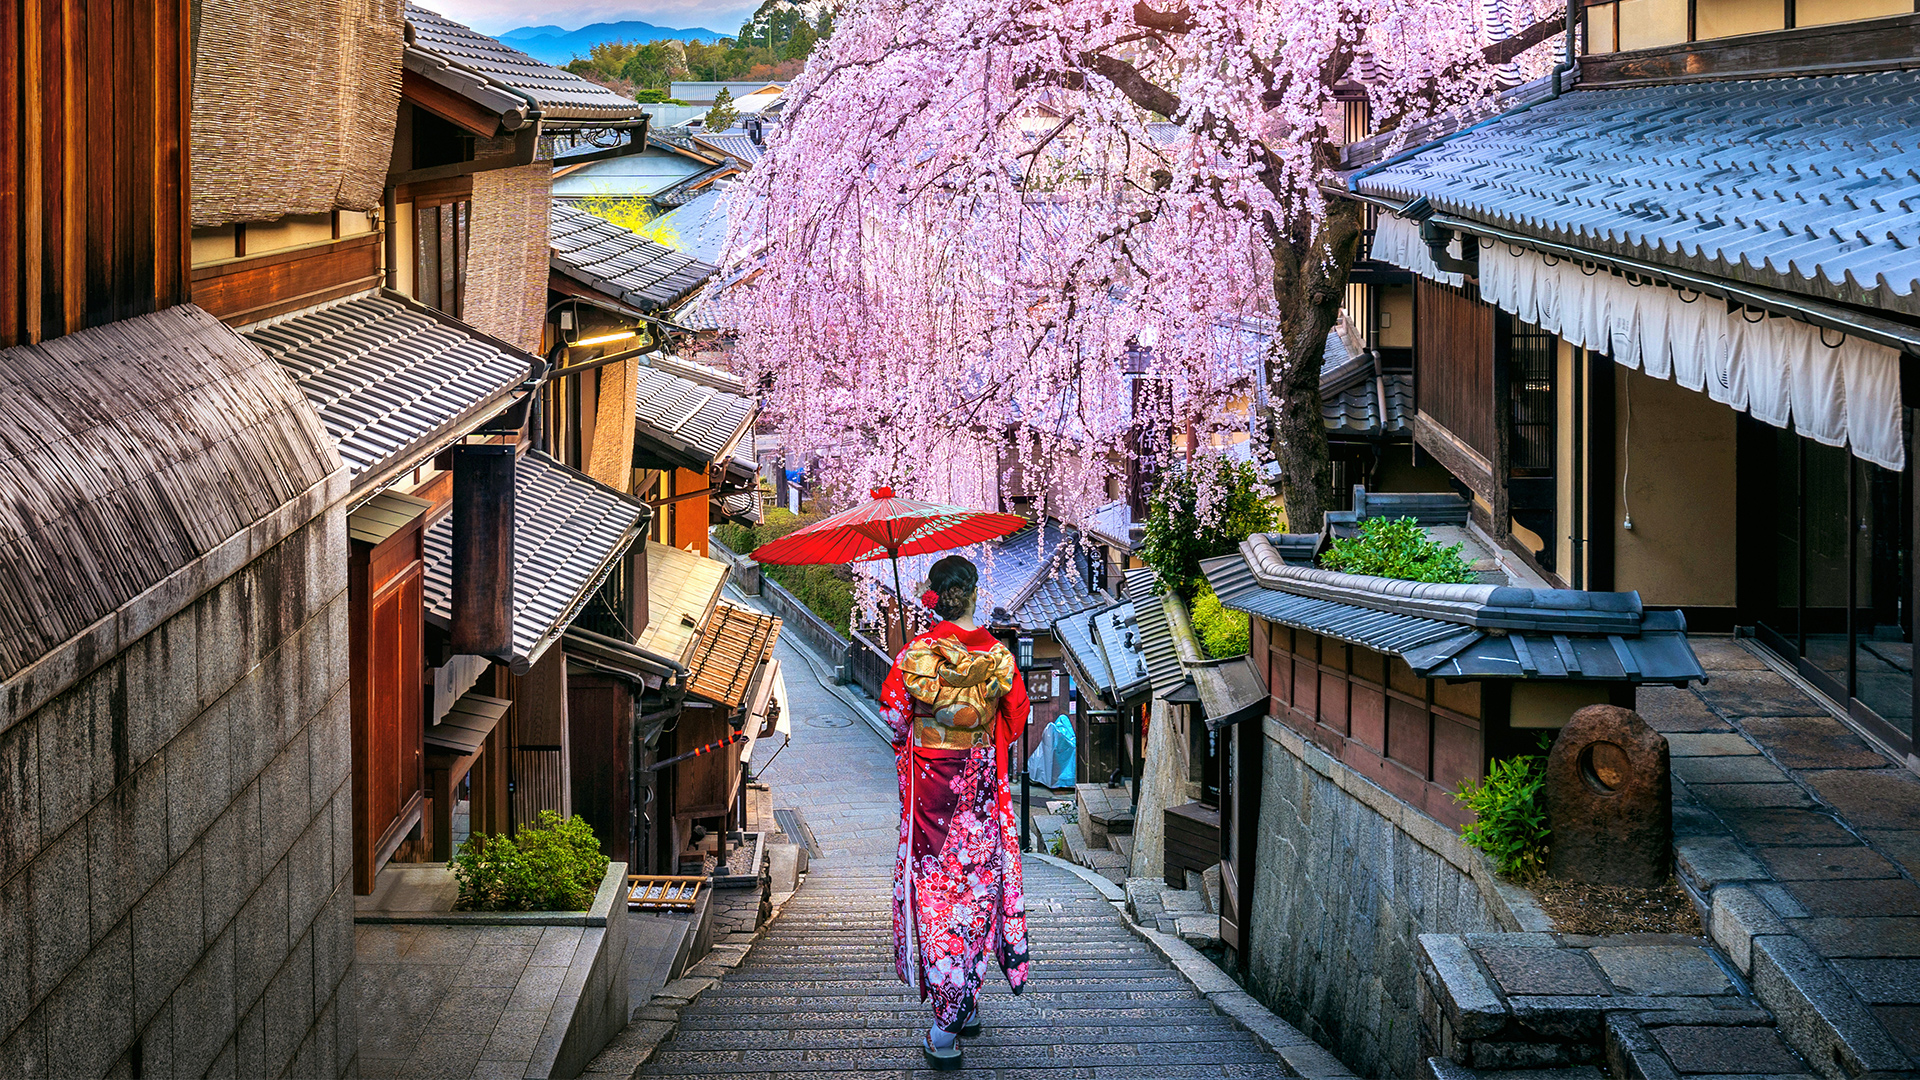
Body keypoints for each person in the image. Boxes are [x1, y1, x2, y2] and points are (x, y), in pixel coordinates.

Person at [879, 554, 1031, 1070]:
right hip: (979, 787)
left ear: (934, 596)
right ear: (974, 593)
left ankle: (945, 1027)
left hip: (932, 791)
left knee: (940, 897)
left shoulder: (916, 654)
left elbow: (895, 719)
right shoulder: (998, 654)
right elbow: (1015, 717)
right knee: (978, 888)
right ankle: (965, 1000)